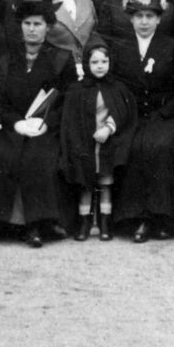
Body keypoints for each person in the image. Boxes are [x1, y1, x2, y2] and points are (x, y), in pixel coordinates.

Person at [0, 0, 74, 247]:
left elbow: (69, 101)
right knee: (6, 153)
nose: (32, 29)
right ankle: (9, 222)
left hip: (47, 128)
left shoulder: (61, 58)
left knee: (37, 156)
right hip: (13, 126)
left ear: (48, 27)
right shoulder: (6, 59)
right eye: (27, 23)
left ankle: (37, 223)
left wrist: (47, 123)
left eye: (38, 24)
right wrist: (15, 122)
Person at [112, 0, 174, 242]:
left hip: (166, 115)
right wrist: (127, 112)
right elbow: (115, 86)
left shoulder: (173, 47)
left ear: (159, 19)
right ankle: (135, 218)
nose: (144, 22)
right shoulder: (120, 47)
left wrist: (166, 112)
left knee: (160, 146)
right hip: (133, 115)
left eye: (150, 16)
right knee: (133, 146)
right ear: (131, 19)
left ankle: (162, 218)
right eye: (139, 16)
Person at [60, 40, 134, 240]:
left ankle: (105, 221)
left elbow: (122, 112)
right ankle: (84, 221)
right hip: (85, 144)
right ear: (87, 63)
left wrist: (109, 128)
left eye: (104, 61)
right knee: (86, 183)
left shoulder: (117, 88)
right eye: (94, 62)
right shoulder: (77, 89)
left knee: (105, 183)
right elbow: (70, 119)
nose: (100, 66)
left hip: (107, 144)